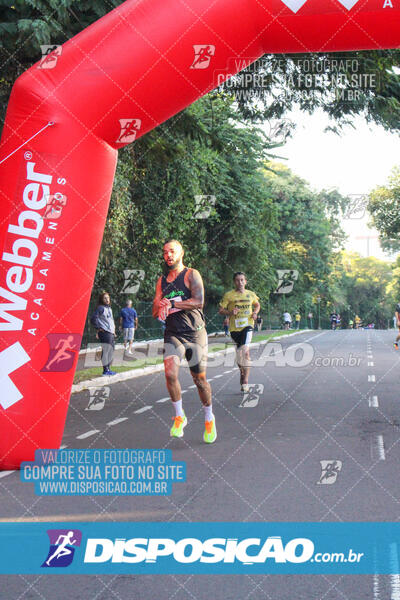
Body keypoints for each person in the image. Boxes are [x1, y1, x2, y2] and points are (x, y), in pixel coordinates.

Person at [152, 240, 216, 443]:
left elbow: (199, 301)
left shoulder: (191, 274)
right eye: (165, 252)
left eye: (172, 251)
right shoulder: (161, 281)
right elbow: (154, 311)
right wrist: (161, 305)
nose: (168, 255)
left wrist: (173, 302)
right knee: (170, 374)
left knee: (200, 380)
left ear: (181, 253)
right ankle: (179, 416)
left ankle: (208, 418)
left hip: (195, 333)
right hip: (173, 333)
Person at [219, 272, 260, 393]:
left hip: (248, 325)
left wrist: (255, 313)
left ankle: (245, 381)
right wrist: (230, 313)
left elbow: (257, 305)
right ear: (234, 282)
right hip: (234, 328)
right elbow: (221, 310)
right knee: (239, 356)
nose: (240, 282)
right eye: (237, 280)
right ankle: (242, 373)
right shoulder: (229, 295)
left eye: (242, 280)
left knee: (245, 352)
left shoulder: (251, 294)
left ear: (246, 281)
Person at [90, 291, 116, 376]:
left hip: (110, 333)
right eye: (105, 298)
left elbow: (110, 321)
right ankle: (105, 370)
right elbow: (93, 318)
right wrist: (99, 328)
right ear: (102, 299)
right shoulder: (101, 308)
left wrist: (113, 331)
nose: (107, 299)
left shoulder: (109, 308)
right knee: (106, 350)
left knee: (111, 351)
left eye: (108, 298)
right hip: (105, 333)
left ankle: (108, 369)